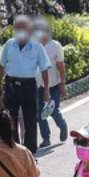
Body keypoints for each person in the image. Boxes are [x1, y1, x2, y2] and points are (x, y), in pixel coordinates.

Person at [0, 15, 50, 154]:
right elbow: (1, 65)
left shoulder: (36, 46)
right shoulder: (9, 44)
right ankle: (14, 149)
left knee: (30, 119)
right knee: (10, 119)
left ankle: (30, 152)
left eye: (22, 27)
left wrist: (46, 90)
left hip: (29, 85)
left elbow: (44, 69)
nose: (19, 30)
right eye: (17, 28)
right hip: (11, 84)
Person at [33, 18, 68, 146]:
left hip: (54, 84)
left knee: (53, 110)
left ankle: (62, 125)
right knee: (40, 113)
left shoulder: (55, 46)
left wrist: (62, 84)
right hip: (38, 85)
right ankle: (46, 138)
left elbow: (61, 66)